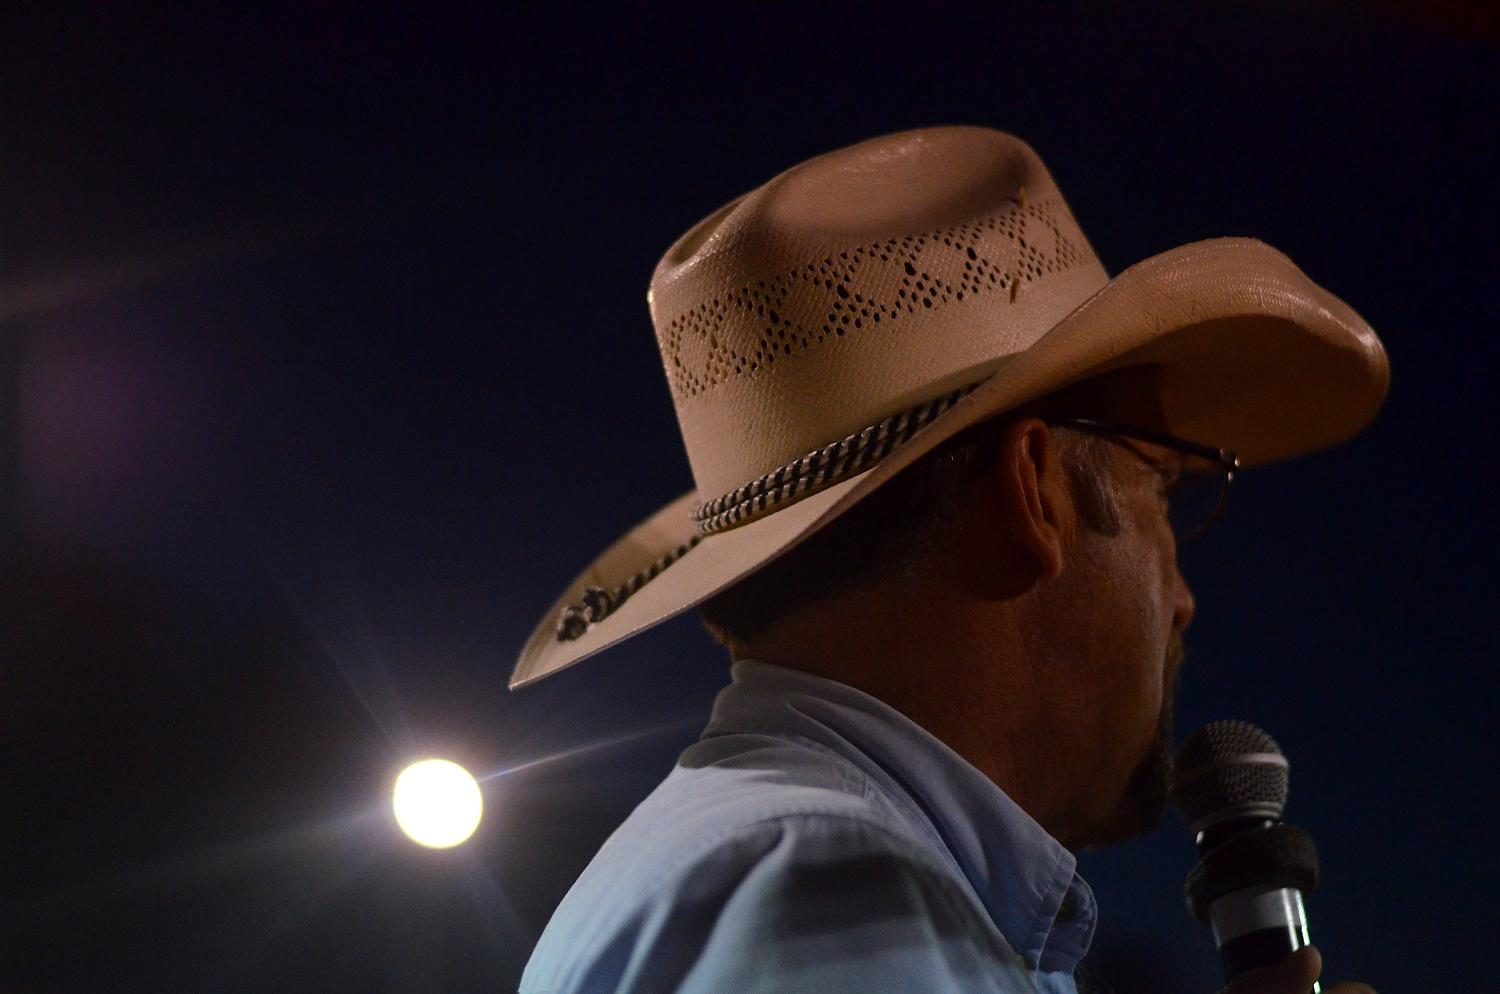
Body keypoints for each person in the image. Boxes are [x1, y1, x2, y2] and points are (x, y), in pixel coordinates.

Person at [511, 127, 1388, 993]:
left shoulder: (744, 860)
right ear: (1035, 490)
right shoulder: (837, 892)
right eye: (1158, 488)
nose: (1186, 601)